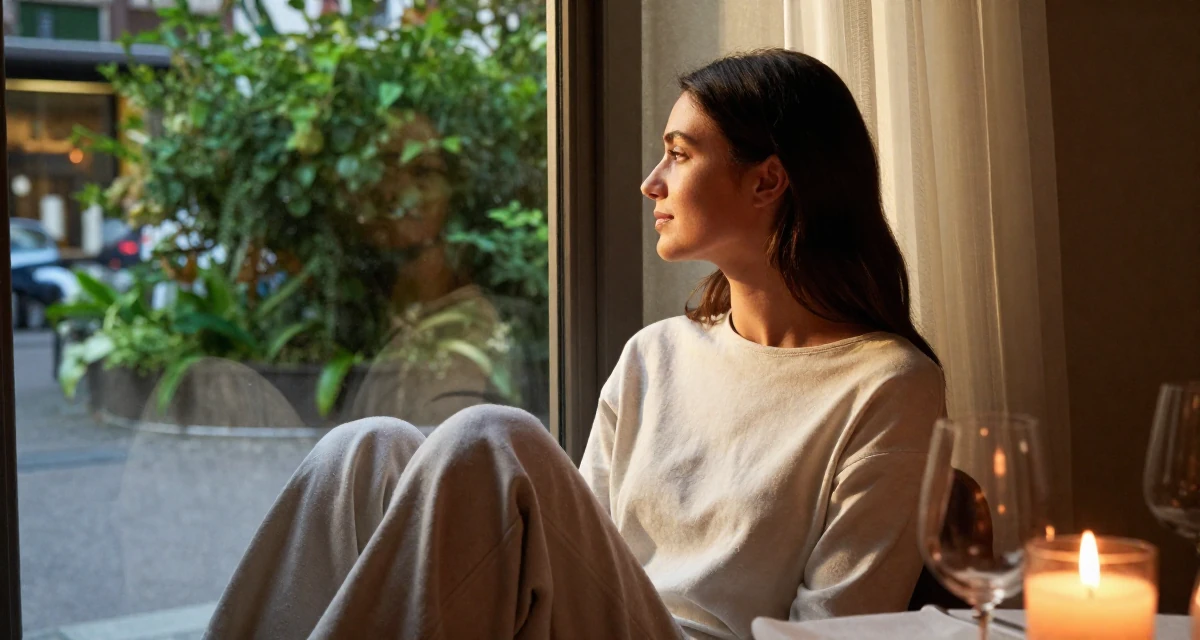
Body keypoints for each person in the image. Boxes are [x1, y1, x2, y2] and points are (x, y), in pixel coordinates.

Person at [204, 48, 945, 640]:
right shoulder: (656, 356)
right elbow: (577, 555)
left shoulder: (887, 385)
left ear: (767, 182)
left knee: (492, 438)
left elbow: (847, 629)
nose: (652, 182)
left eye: (680, 154)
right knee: (362, 451)